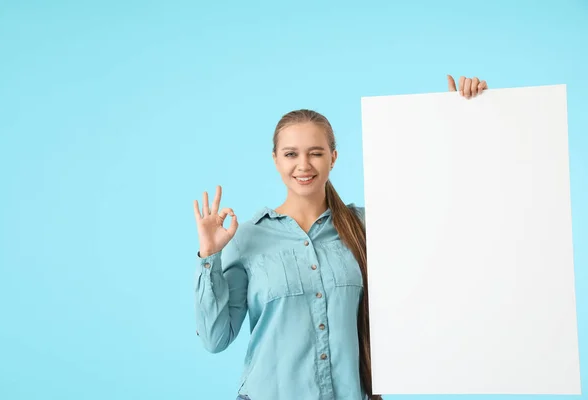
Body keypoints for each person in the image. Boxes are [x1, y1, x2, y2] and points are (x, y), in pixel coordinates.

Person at [193, 75, 488, 400]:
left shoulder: (366, 225)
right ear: (275, 159)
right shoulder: (246, 237)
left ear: (333, 157)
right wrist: (209, 256)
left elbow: (440, 213)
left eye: (315, 153)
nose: (303, 165)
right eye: (291, 154)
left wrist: (458, 118)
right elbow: (215, 338)